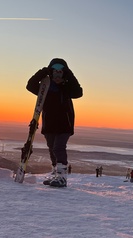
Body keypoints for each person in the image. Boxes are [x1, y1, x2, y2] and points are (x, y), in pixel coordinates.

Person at [26, 58, 83, 187]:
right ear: (51, 72)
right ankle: (55, 174)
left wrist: (69, 76)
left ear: (64, 73)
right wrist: (44, 71)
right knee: (52, 149)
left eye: (61, 71)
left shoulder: (67, 87)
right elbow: (30, 85)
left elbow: (78, 93)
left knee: (58, 148)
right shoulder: (45, 87)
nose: (57, 74)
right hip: (49, 124)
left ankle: (62, 177)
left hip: (64, 124)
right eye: (55, 71)